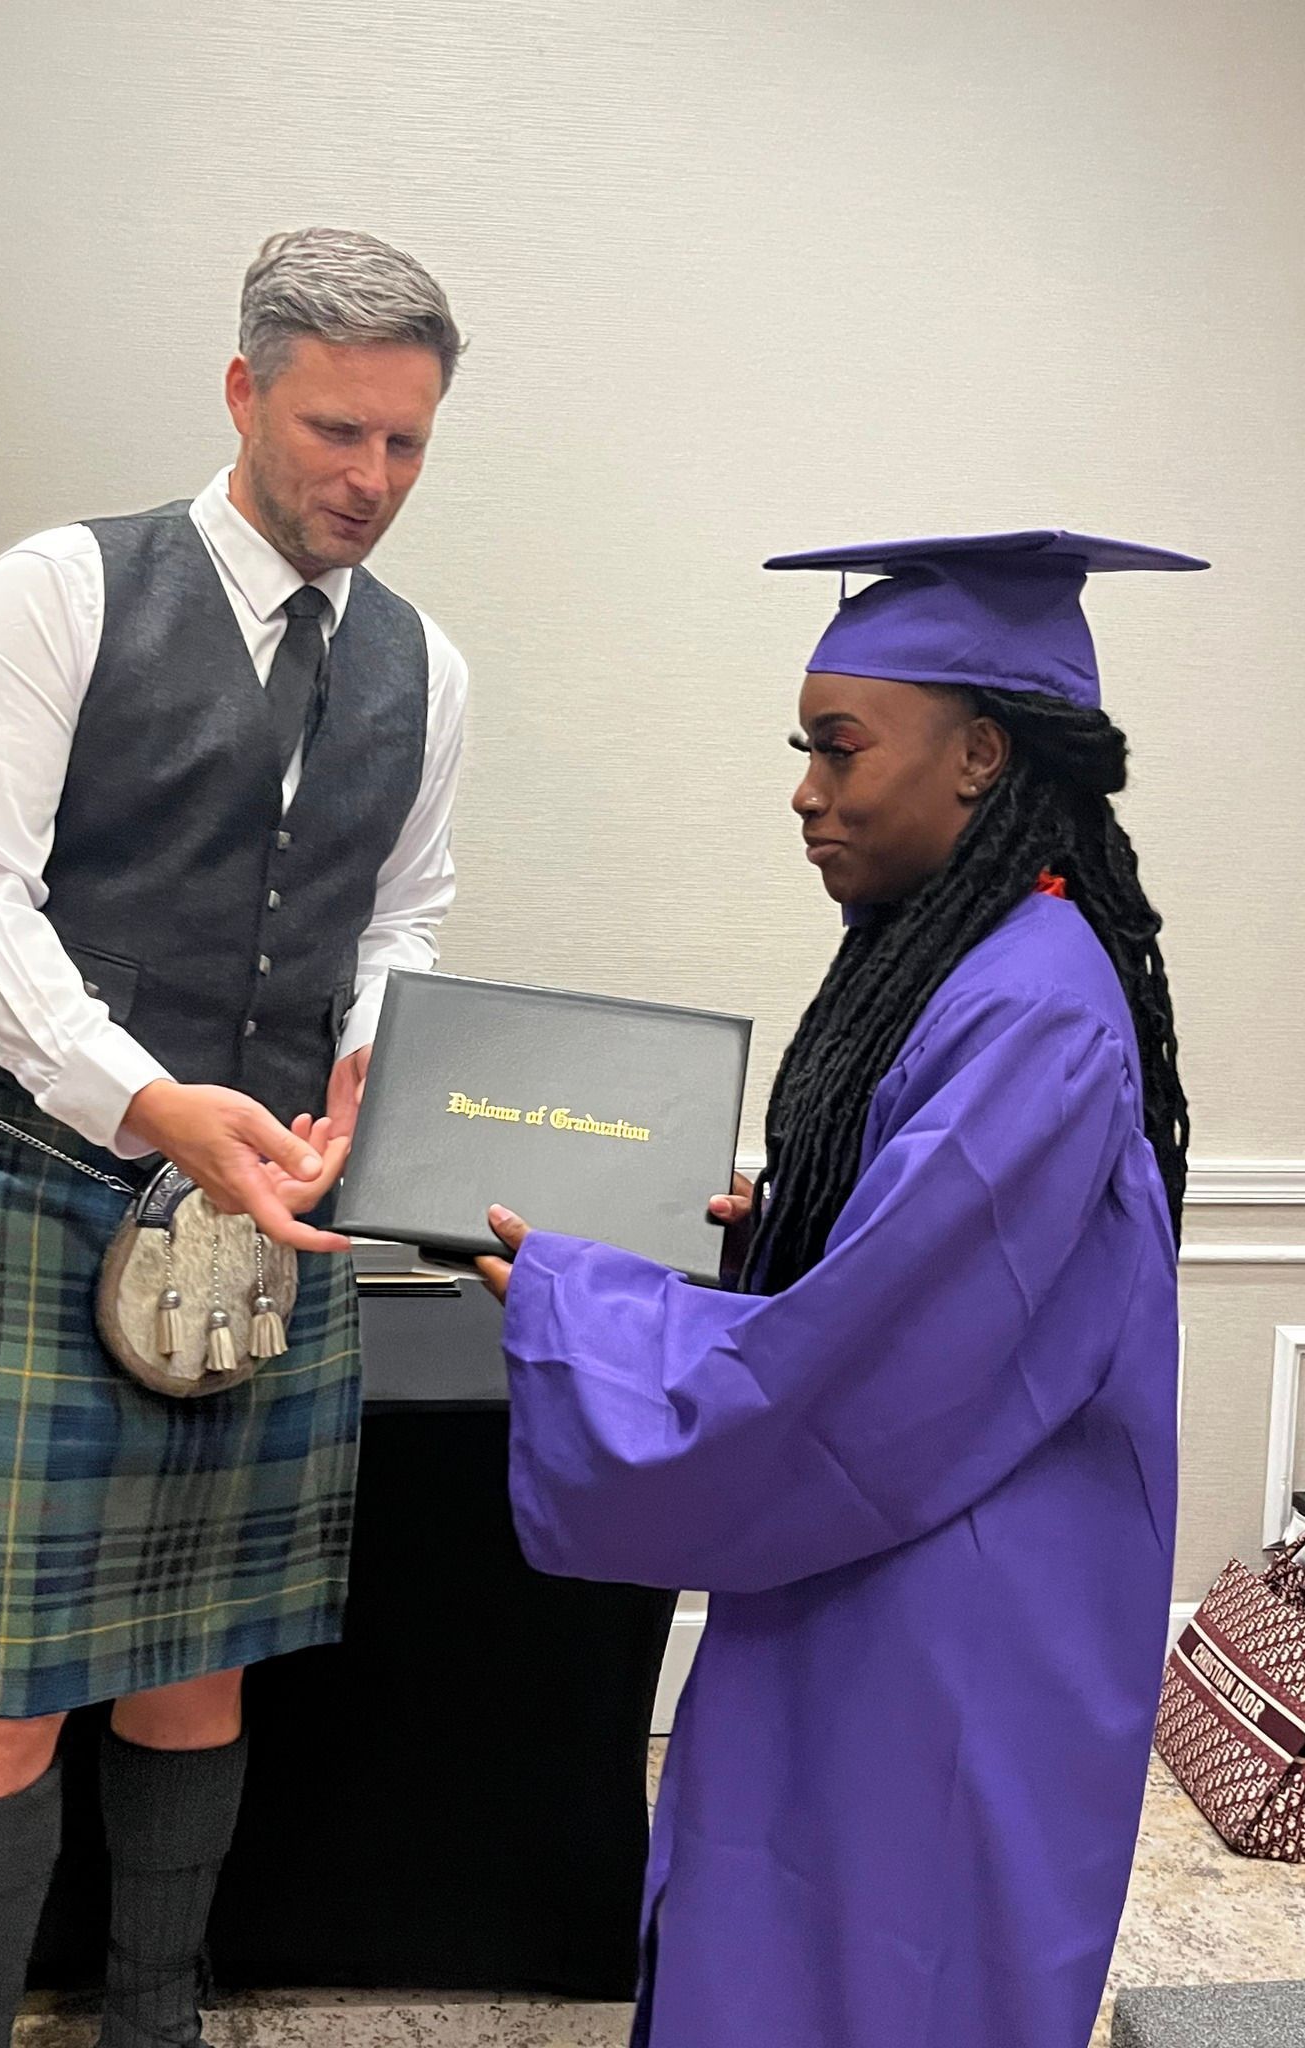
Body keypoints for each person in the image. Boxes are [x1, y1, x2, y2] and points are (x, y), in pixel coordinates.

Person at [0, 226, 468, 2047]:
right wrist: (149, 1104)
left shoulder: (428, 671)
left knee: (201, 1663)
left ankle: (153, 2014)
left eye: (407, 446)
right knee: (7, 1695)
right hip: (50, 1191)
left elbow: (401, 915)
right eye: (337, 431)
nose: (369, 480)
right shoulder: (63, 587)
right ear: (243, 392)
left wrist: (367, 1068)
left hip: (268, 1213)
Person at [477, 530, 1204, 2048]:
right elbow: (907, 1280)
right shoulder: (966, 961)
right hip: (885, 1559)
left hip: (954, 1614)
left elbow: (867, 1365)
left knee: (884, 1969)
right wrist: (780, 1241)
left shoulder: (1037, 1008)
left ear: (982, 757)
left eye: (841, 746)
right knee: (790, 1932)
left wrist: (575, 1302)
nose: (806, 787)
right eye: (802, 745)